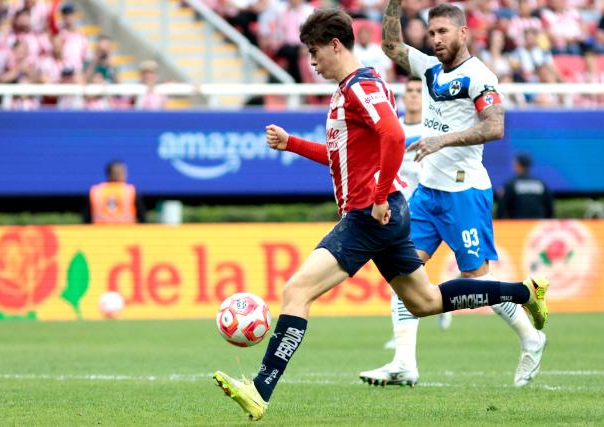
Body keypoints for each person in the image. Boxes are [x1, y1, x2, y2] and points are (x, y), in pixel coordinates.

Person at [212, 8, 550, 420]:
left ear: (335, 45)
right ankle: (524, 292)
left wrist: (376, 196)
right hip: (384, 211)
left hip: (369, 215)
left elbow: (391, 133)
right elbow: (341, 157)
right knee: (424, 301)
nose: (312, 63)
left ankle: (260, 389)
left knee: (296, 292)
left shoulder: (362, 86)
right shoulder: (349, 89)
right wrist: (292, 144)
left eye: (315, 53)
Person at [359, 1, 547, 389]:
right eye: (431, 33)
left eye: (443, 32)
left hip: (465, 192)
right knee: (402, 273)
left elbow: (495, 126)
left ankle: (532, 338)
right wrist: (394, 5)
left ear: (463, 33)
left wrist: (442, 140)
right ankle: (404, 364)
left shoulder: (480, 75)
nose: (435, 39)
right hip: (428, 194)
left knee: (478, 281)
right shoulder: (429, 69)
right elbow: (392, 47)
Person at [382, 76, 452, 353]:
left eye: (416, 91)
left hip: (433, 208)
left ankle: (441, 301)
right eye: (408, 91)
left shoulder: (432, 131)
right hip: (403, 213)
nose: (412, 95)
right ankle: (403, 343)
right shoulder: (395, 130)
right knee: (403, 278)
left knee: (476, 273)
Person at [497, 153, 554, 219]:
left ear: (517, 165)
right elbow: (550, 208)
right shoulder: (541, 184)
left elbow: (501, 209)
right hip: (537, 226)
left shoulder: (510, 185)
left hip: (517, 226)